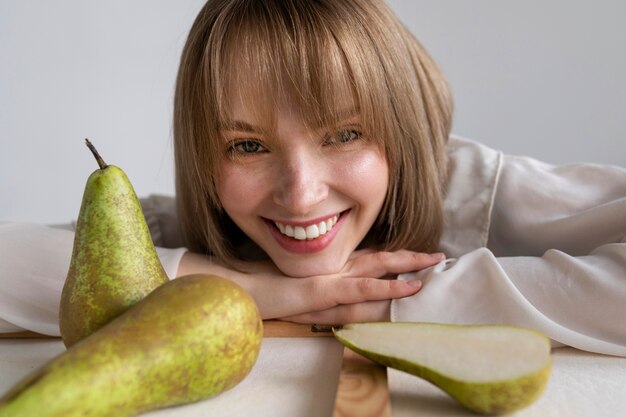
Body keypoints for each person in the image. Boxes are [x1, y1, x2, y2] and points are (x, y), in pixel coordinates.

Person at [1, 0, 625, 356]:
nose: (300, 192)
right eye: (248, 145)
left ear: (402, 132)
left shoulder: (473, 192)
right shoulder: (192, 227)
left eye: (345, 135)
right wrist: (248, 289)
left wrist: (384, 302)